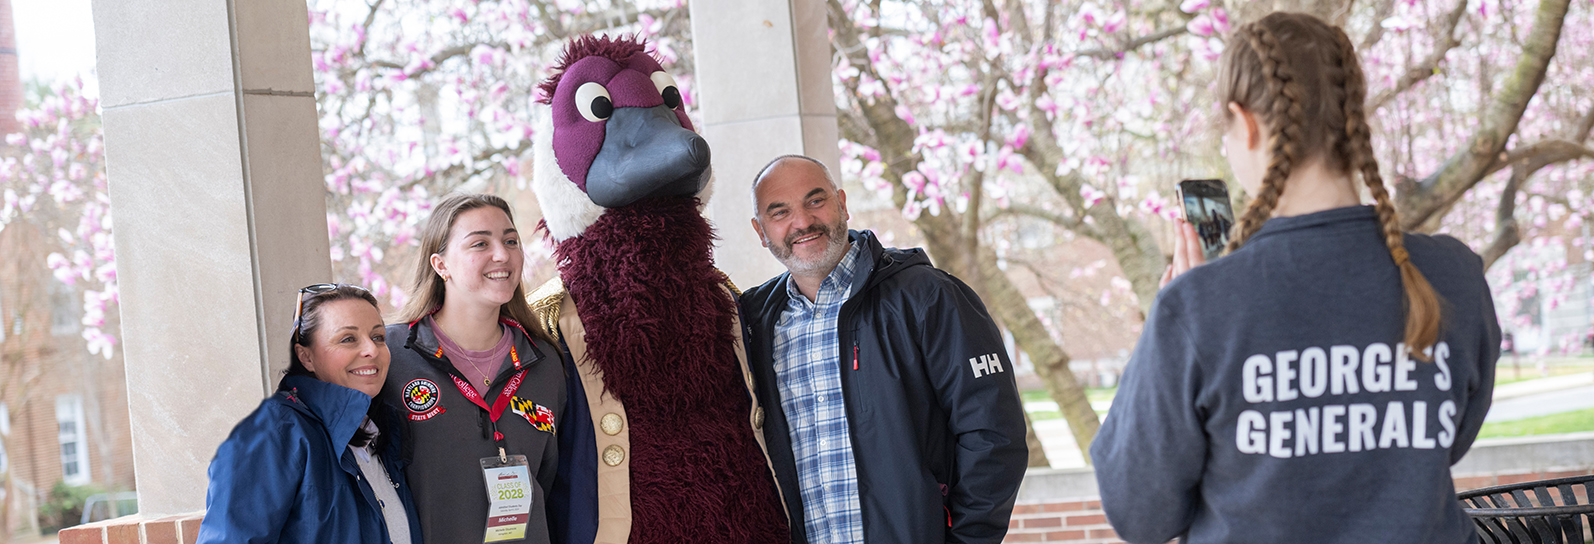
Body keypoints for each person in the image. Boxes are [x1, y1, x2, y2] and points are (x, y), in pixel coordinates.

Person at [1091, 12, 1499, 544]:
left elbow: (1139, 513)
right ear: (1352, 117)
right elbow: (1445, 441)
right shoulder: (1456, 275)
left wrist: (1168, 326)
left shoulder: (1197, 307)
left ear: (1247, 123)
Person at [740, 155, 1029, 544]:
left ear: (842, 203)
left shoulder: (927, 297)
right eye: (780, 212)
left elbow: (994, 433)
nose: (803, 222)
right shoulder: (753, 323)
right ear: (761, 231)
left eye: (815, 201)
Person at [380, 194, 565, 544]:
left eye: (511, 241)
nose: (502, 254)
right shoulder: (391, 355)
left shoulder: (544, 361)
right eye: (480, 243)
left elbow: (553, 479)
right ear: (441, 265)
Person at [198, 284, 420, 544]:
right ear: (306, 357)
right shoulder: (275, 431)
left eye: (378, 337)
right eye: (348, 339)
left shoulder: (382, 431)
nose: (371, 349)